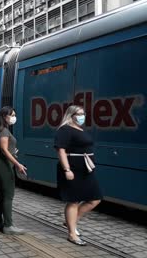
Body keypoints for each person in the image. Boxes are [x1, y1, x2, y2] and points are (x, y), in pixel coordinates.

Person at [54, 105, 102, 246]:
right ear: (71, 115)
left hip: (86, 169)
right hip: (73, 168)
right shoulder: (64, 130)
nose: (82, 116)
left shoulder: (80, 129)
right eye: (78, 114)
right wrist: (67, 169)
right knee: (73, 201)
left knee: (95, 199)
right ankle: (71, 234)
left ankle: (70, 222)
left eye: (83, 113)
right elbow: (61, 151)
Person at [0, 106, 27, 235]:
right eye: (12, 115)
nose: (14, 117)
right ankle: (8, 225)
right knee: (8, 195)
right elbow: (4, 150)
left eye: (14, 115)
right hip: (3, 165)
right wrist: (18, 164)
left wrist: (13, 152)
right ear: (4, 117)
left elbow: (6, 149)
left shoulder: (1, 130)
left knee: (1, 194)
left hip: (1, 164)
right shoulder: (4, 131)